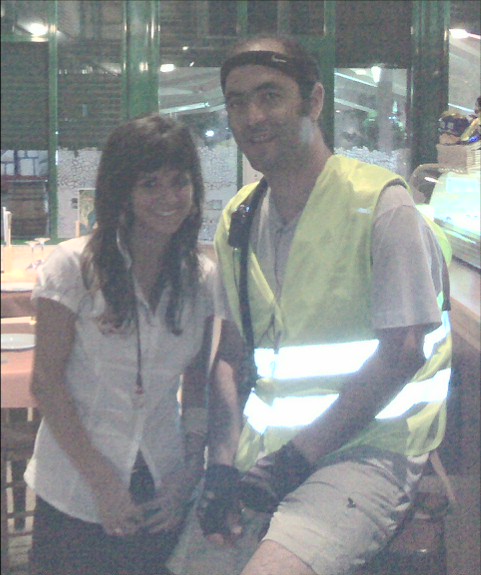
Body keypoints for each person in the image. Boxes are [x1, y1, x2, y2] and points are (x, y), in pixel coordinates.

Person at [167, 35, 452, 575]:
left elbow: (403, 353)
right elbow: (230, 354)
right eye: (237, 102)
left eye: (270, 95)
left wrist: (297, 459)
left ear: (314, 101)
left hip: (366, 452)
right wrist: (220, 465)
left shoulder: (382, 206)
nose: (252, 116)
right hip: (263, 452)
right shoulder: (239, 218)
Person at [25, 113, 215, 575]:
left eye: (180, 181)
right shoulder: (73, 267)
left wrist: (191, 469)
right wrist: (104, 484)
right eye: (150, 184)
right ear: (121, 191)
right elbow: (47, 384)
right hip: (76, 485)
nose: (169, 198)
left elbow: (197, 381)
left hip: (163, 484)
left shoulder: (201, 277)